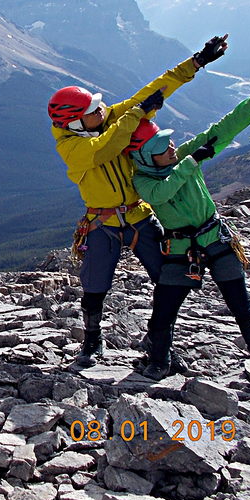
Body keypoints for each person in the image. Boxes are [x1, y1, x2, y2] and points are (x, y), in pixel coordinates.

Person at [48, 35, 228, 367]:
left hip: (135, 215)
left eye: (98, 106)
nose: (100, 110)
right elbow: (105, 148)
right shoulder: (71, 148)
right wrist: (133, 116)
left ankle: (159, 342)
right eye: (91, 110)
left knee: (168, 277)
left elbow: (151, 92)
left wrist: (197, 62)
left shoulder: (104, 120)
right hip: (104, 222)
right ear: (73, 122)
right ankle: (91, 342)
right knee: (95, 285)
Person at [125, 74, 250, 394]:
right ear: (144, 158)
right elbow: (160, 193)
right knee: (164, 311)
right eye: (162, 147)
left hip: (212, 240)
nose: (171, 147)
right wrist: (190, 162)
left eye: (169, 142)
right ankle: (158, 362)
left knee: (243, 308)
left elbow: (224, 128)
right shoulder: (143, 182)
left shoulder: (183, 155)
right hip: (184, 248)